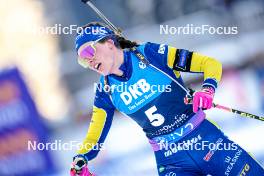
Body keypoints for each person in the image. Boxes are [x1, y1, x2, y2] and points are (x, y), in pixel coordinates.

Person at [70, 22, 264, 176]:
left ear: (110, 43)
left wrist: (207, 90)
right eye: (82, 60)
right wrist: (81, 157)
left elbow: (209, 63)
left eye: (89, 52)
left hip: (205, 140)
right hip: (171, 161)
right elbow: (94, 135)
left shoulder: (149, 54)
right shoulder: (105, 91)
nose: (89, 61)